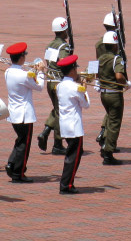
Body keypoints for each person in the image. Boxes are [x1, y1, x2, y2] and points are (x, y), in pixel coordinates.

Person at [3, 42, 45, 183]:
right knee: (24, 144)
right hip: (24, 114)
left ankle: (12, 163)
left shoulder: (9, 71)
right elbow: (39, 87)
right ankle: (18, 172)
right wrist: (40, 72)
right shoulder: (23, 75)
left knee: (20, 140)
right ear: (21, 57)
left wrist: (32, 72)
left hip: (14, 113)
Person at [37, 16, 73, 155]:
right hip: (59, 81)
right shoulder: (63, 46)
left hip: (50, 81)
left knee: (57, 109)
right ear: (64, 31)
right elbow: (63, 62)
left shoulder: (50, 44)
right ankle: (57, 143)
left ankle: (46, 131)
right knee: (61, 112)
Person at [95, 31, 131, 165]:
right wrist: (126, 83)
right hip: (114, 94)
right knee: (114, 123)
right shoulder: (117, 59)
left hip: (104, 93)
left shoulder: (100, 58)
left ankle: (105, 142)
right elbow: (119, 77)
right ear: (115, 45)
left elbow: (95, 74)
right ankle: (108, 152)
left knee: (110, 119)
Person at [55, 55, 89, 194]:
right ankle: (66, 184)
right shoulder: (76, 87)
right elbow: (86, 104)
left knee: (74, 153)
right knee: (74, 155)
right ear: (72, 70)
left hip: (65, 124)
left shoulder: (60, 85)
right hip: (75, 125)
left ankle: (68, 182)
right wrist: (84, 88)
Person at [94, 12, 118, 145]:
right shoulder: (116, 42)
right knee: (114, 111)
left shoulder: (99, 43)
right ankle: (107, 139)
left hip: (102, 76)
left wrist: (97, 78)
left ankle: (104, 131)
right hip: (114, 77)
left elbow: (96, 61)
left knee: (110, 110)